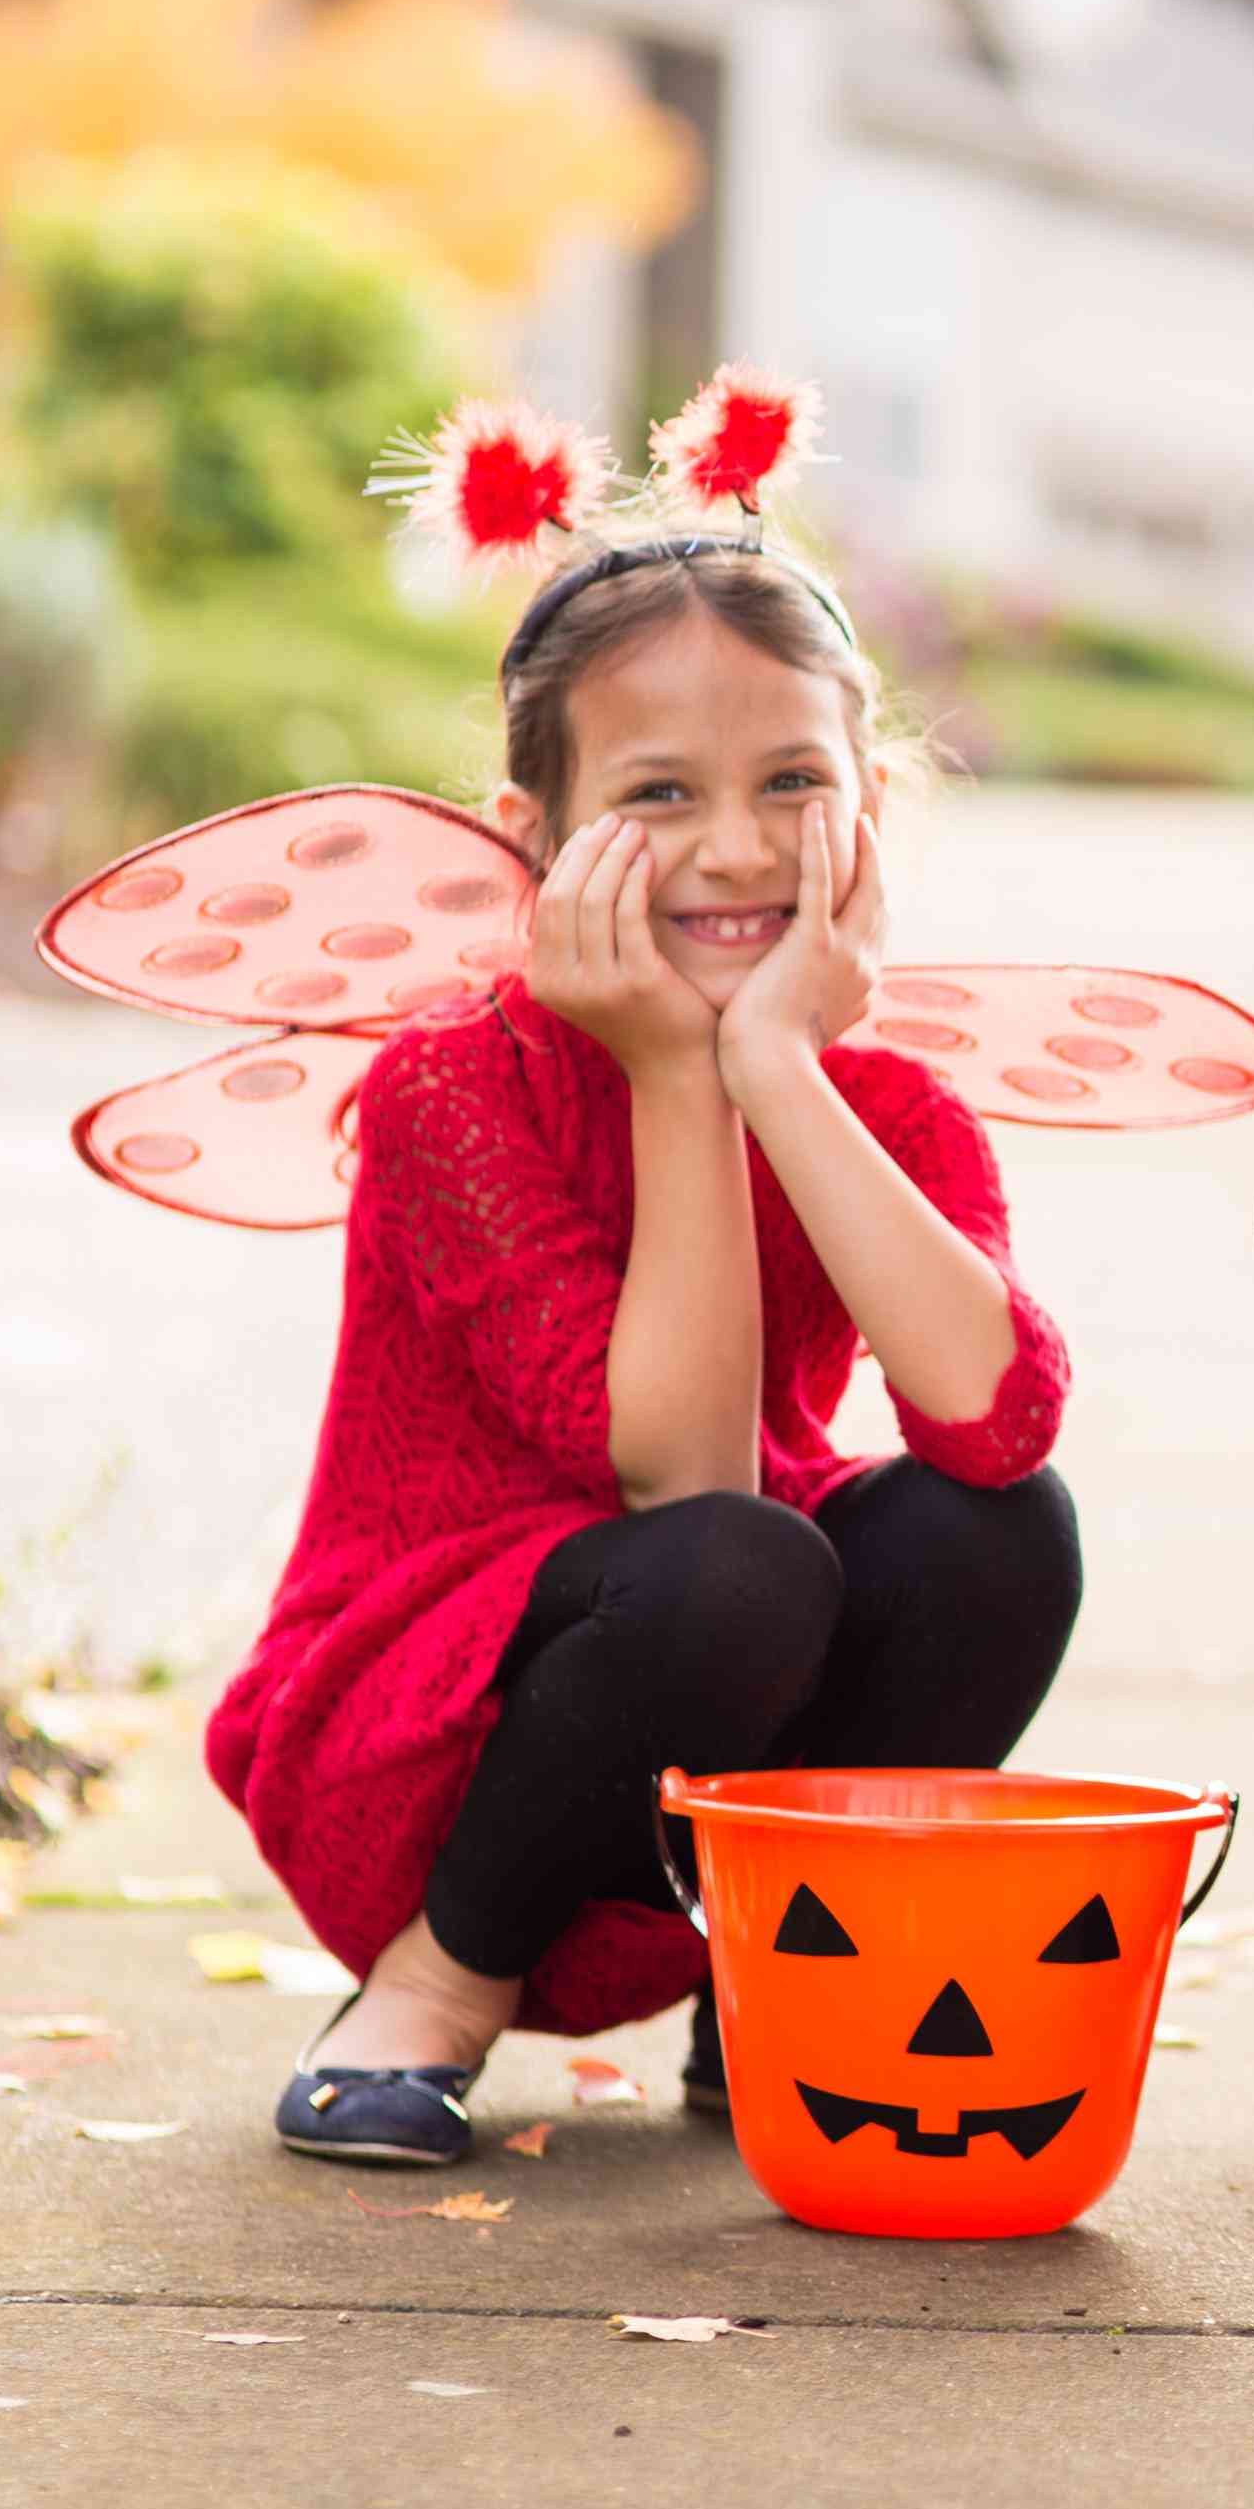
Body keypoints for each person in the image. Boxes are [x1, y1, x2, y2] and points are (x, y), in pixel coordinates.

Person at [223, 537, 1081, 2166]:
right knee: (732, 1563)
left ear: (869, 817)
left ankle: (786, 1989)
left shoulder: (884, 1109)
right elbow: (676, 1483)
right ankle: (433, 1992)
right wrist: (677, 1079)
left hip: (716, 1724)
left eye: (790, 784)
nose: (738, 850)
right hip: (433, 1744)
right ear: (531, 842)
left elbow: (997, 1421)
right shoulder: (451, 1096)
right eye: (662, 797)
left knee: (1000, 1530)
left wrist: (777, 1065)